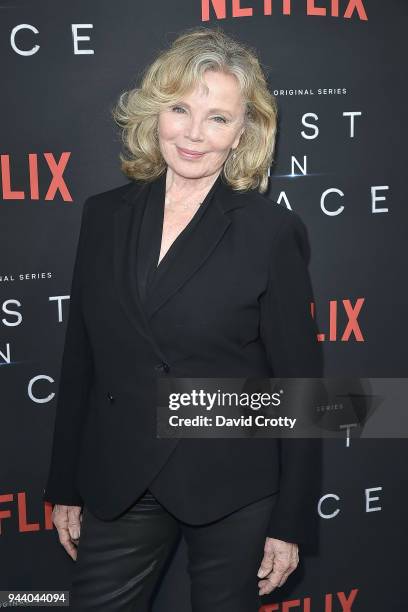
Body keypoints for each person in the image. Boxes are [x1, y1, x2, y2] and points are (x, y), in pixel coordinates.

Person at [43, 25, 324, 611]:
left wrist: (291, 520)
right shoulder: (103, 216)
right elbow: (81, 360)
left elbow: (300, 386)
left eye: (218, 118)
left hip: (232, 482)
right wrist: (65, 484)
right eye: (180, 109)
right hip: (122, 477)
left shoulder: (270, 232)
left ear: (243, 131)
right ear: (154, 113)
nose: (194, 134)